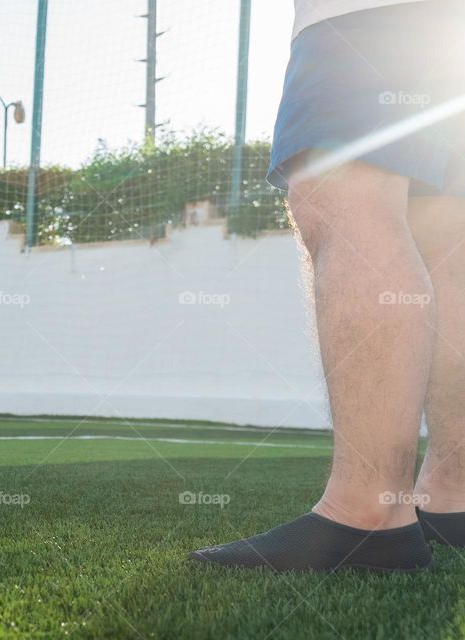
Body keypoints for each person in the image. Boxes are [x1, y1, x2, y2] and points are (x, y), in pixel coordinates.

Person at [191, 0, 465, 571]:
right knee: (443, 235)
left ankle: (369, 515)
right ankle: (452, 497)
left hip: (371, 14)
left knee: (344, 199)